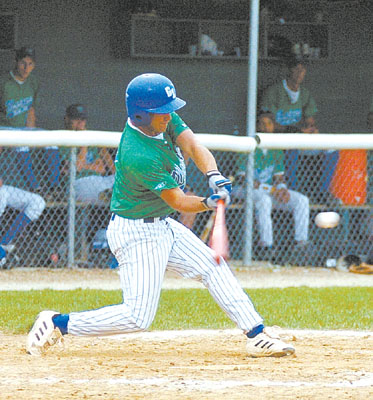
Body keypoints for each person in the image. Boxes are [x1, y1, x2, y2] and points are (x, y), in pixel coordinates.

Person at [27, 73, 295, 358]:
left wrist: (214, 175)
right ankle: (57, 323)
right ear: (141, 115)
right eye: (161, 113)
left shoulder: (162, 121)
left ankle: (255, 333)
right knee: (137, 317)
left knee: (211, 267)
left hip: (162, 224)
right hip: (137, 233)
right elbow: (178, 201)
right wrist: (209, 201)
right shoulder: (138, 153)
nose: (169, 117)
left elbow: (192, 145)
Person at [260, 56, 338, 205]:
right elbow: (268, 123)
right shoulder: (274, 91)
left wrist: (311, 130)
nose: (300, 73)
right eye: (296, 68)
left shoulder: (305, 94)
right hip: (278, 141)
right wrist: (295, 131)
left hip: (298, 137)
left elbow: (310, 121)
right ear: (289, 70)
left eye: (302, 69)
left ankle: (323, 192)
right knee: (292, 147)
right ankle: (292, 190)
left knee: (331, 148)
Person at [232, 112, 310, 261]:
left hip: (268, 192)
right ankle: (266, 246)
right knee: (264, 199)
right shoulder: (248, 144)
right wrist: (272, 190)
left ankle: (301, 243)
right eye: (262, 123)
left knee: (302, 200)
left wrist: (281, 188)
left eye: (269, 123)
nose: (265, 127)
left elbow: (279, 176)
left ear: (274, 126)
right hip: (243, 190)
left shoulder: (275, 146)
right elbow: (243, 179)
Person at [0, 47, 60, 195]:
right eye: (23, 63)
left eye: (30, 64)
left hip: (22, 129)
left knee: (51, 140)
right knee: (22, 146)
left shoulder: (33, 82)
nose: (26, 68)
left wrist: (31, 134)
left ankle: (54, 187)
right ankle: (34, 187)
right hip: (5, 128)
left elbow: (31, 110)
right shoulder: (4, 82)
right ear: (16, 62)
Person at [61, 104, 116, 205]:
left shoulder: (92, 140)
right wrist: (84, 142)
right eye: (76, 119)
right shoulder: (62, 140)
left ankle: (112, 195)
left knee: (119, 179)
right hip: (78, 183)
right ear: (67, 119)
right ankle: (112, 196)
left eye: (82, 119)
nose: (80, 123)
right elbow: (77, 168)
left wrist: (84, 166)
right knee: (97, 191)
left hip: (101, 181)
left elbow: (101, 169)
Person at [0, 176, 45, 268]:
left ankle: (5, 244)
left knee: (38, 204)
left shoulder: (3, 191)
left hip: (35, 204)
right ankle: (5, 248)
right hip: (26, 206)